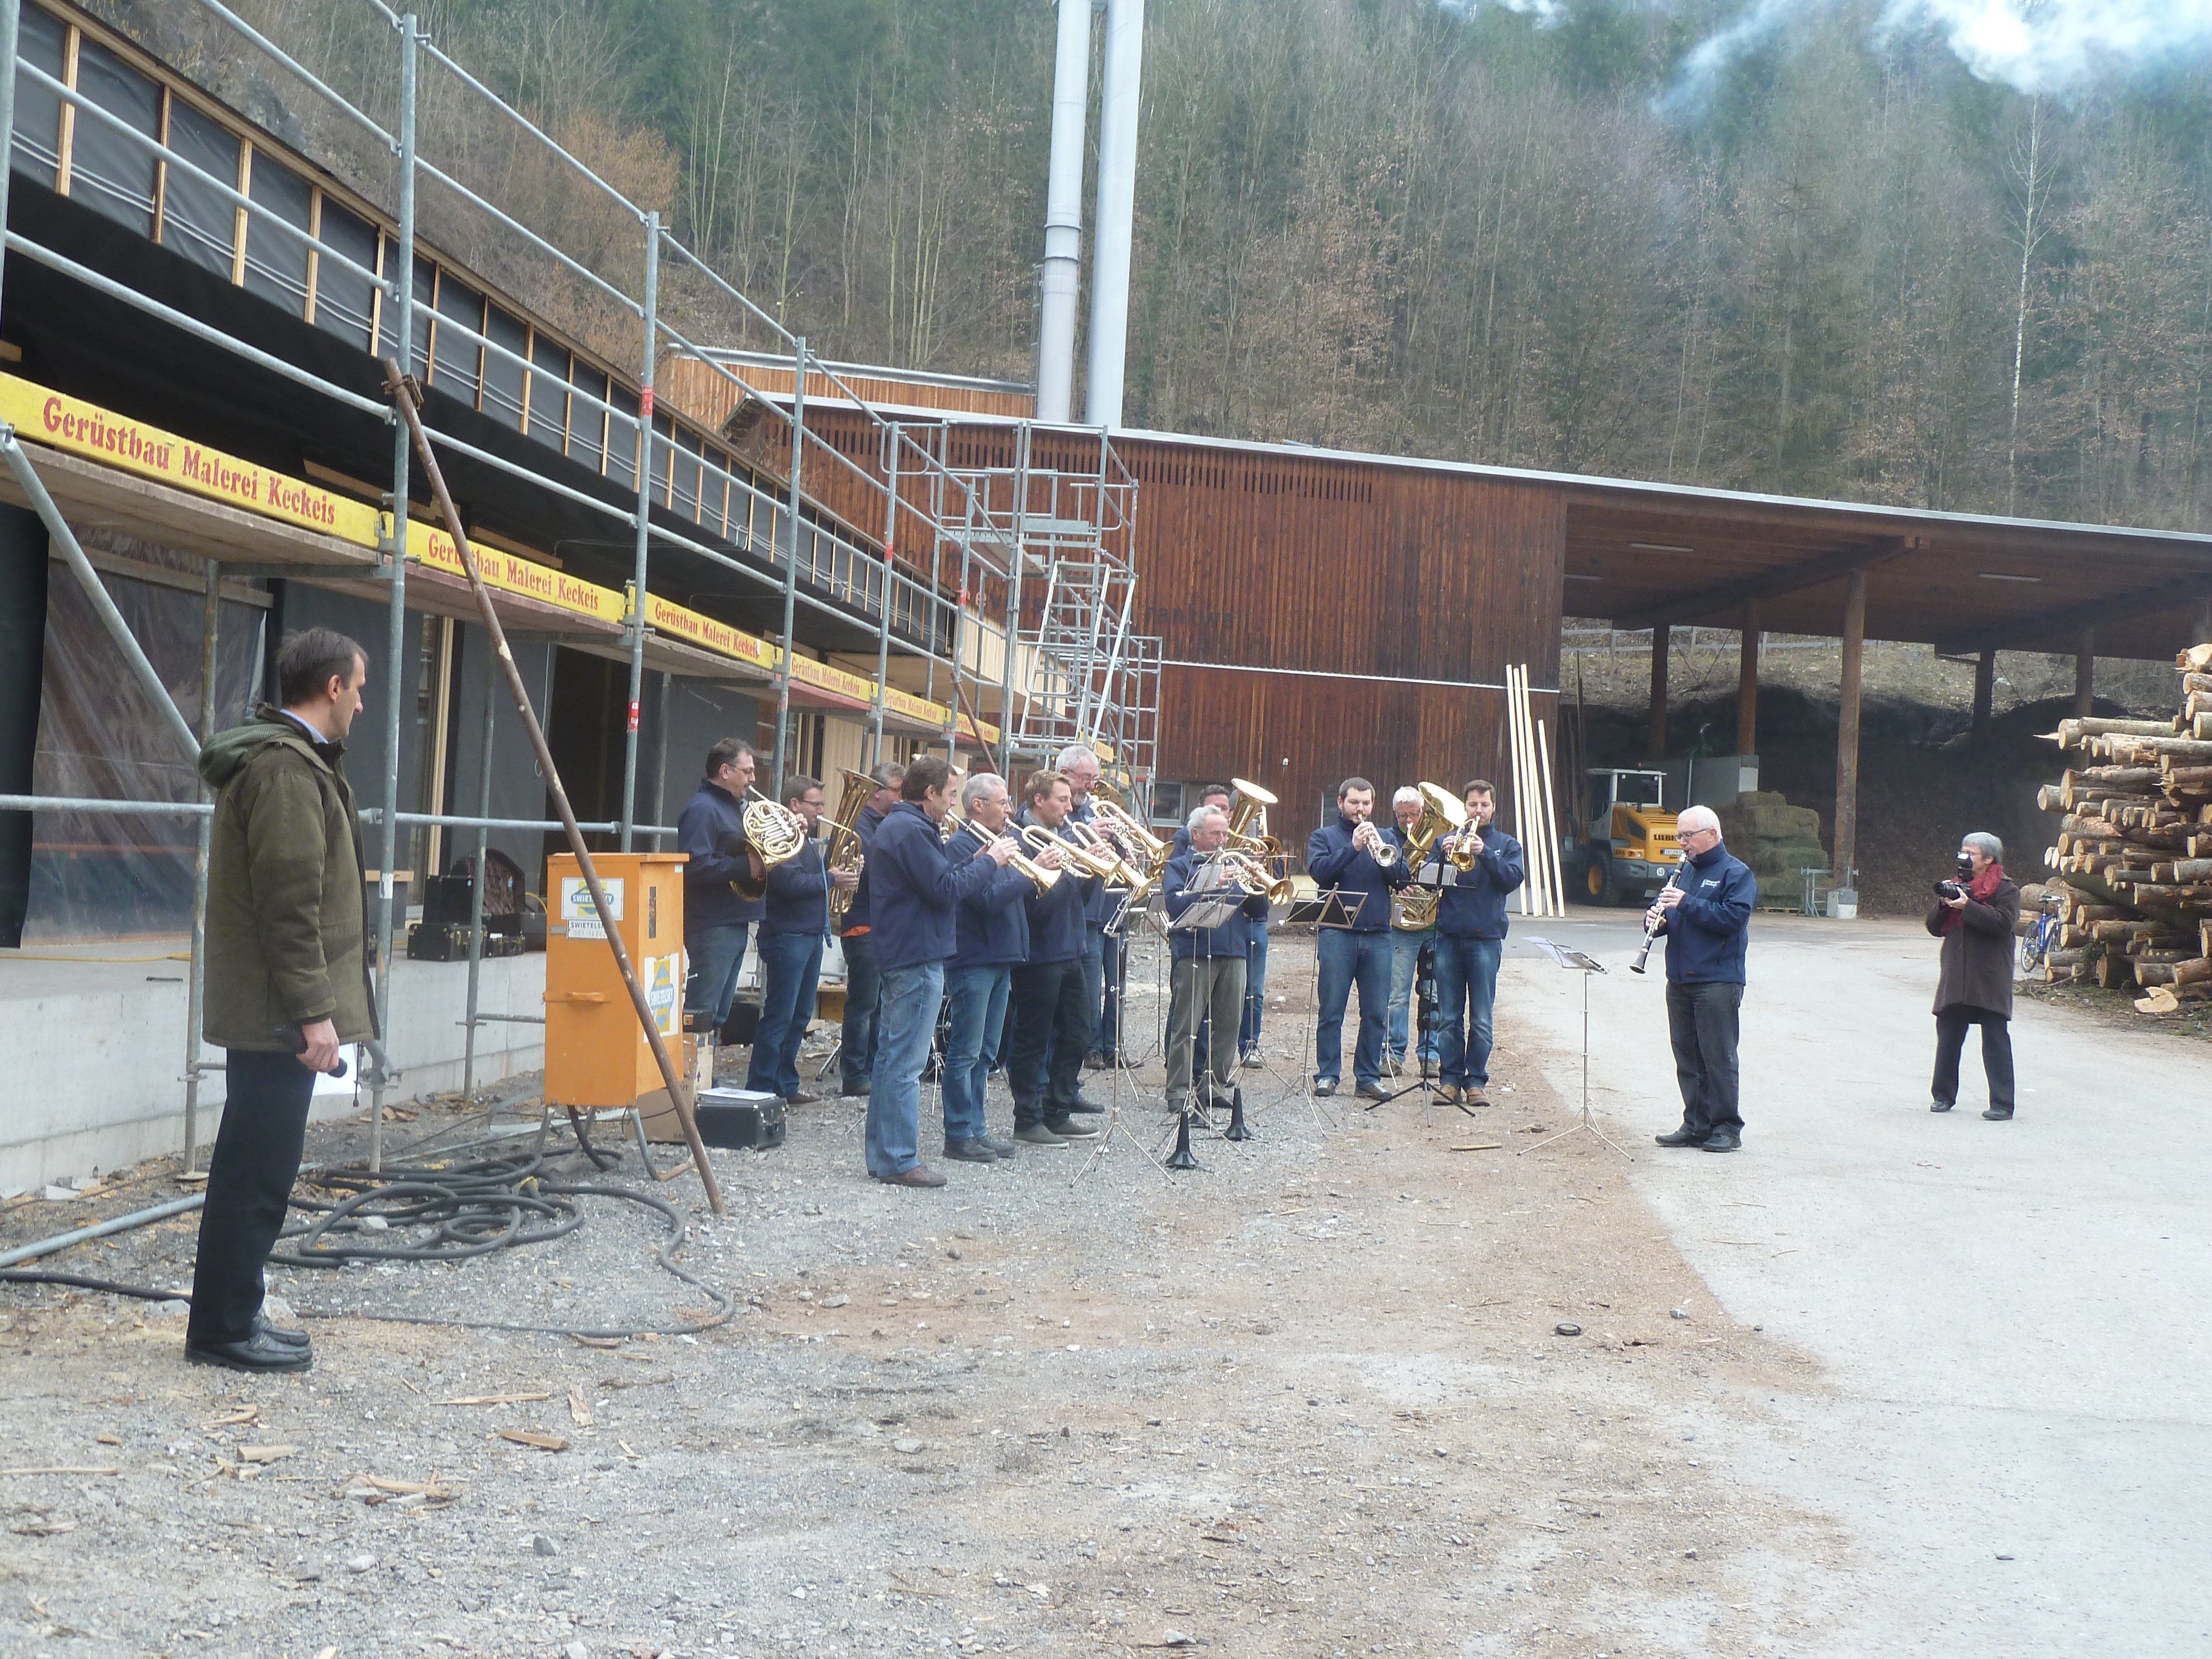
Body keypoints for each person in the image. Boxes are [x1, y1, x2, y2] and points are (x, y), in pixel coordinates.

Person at [188, 628, 377, 1373]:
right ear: (332, 688)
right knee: (257, 1175)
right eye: (358, 689)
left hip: (274, 1012)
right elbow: (290, 908)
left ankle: (233, 1315)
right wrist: (313, 1014)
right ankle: (224, 1330)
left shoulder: (289, 764)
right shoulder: (287, 773)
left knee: (254, 1166)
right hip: (280, 1017)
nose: (361, 704)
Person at [863, 755, 1017, 1187]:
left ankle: (884, 1156)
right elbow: (945, 890)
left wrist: (978, 859)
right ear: (929, 793)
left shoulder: (905, 826)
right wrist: (992, 862)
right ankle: (898, 1159)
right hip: (916, 955)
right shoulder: (911, 830)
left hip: (908, 952)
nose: (953, 803)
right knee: (905, 1064)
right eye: (949, 795)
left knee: (891, 1059)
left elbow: (939, 879)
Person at [942, 772, 1057, 1162]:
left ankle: (978, 1129)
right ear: (979, 806)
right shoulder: (962, 845)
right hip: (975, 959)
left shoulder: (999, 842)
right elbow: (988, 899)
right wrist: (1029, 871)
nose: (1010, 810)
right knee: (966, 1051)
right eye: (1003, 803)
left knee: (988, 1053)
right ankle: (959, 1132)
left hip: (1001, 956)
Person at [1649, 805, 1757, 1152]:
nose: (1682, 843)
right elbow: (1670, 912)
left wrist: (1686, 904)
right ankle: (1696, 1124)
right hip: (1680, 978)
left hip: (1717, 980)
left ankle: (1727, 1127)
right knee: (1687, 1057)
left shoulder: (1736, 874)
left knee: (1718, 1057)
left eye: (1688, 836)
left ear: (1712, 834)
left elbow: (1732, 920)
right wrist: (1657, 921)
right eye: (1679, 836)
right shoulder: (1682, 873)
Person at [746, 776, 855, 1107]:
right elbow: (790, 884)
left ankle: (784, 1084)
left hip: (807, 935)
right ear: (795, 804)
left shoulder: (801, 837)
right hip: (787, 935)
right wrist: (830, 877)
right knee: (780, 1015)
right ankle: (761, 1087)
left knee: (799, 1015)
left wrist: (839, 872)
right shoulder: (779, 837)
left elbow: (810, 878)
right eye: (816, 804)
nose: (822, 810)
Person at [1009, 769, 1105, 1142]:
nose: (1069, 807)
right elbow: (1038, 907)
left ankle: (1058, 1109)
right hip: (1039, 954)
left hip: (1070, 950)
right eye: (1062, 800)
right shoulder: (1021, 840)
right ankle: (1028, 1118)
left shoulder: (1061, 834)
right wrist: (1073, 873)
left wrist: (1091, 871)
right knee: (1033, 1039)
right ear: (1039, 800)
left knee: (1079, 1032)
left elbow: (1075, 899)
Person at [1416, 779, 1524, 1107]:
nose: (1478, 811)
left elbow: (1511, 880)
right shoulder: (1445, 841)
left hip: (1485, 941)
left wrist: (1485, 854)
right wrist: (1442, 856)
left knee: (1481, 1019)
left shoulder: (1506, 845)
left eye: (1484, 805)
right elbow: (1426, 882)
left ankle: (1475, 1081)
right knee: (1449, 1017)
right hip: (1448, 938)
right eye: (1473, 805)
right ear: (1464, 807)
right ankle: (1449, 1080)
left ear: (1494, 807)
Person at [1306, 775, 1413, 1099]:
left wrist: (1382, 854)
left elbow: (1402, 880)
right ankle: (1327, 1074)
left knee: (1376, 1012)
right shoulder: (1324, 836)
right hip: (1337, 933)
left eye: (1366, 803)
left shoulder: (1386, 837)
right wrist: (1353, 848)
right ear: (1341, 803)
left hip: (1378, 934)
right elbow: (1320, 872)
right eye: (1354, 802)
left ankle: (1367, 1077)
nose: (1360, 809)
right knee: (1332, 1009)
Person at [1162, 805, 1268, 1119]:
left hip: (1234, 951)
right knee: (1187, 1025)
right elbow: (1174, 906)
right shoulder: (1179, 865)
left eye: (1225, 834)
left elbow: (1259, 911)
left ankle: (1215, 1085)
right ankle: (1178, 1089)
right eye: (1216, 834)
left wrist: (1258, 881)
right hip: (1194, 951)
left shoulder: (1233, 864)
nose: (1223, 840)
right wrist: (1211, 883)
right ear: (1196, 834)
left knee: (1230, 1025)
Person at [1926, 831, 2021, 1121]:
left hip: (1990, 974)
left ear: (1989, 859)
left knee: (1995, 1037)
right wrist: (1945, 904)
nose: (1964, 858)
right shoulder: (1956, 885)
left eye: (1971, 853)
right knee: (1948, 1035)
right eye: (1962, 852)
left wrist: (1968, 906)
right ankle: (1943, 1096)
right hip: (1956, 972)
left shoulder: (2006, 889)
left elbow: (2004, 923)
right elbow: (1933, 928)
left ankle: (2002, 1104)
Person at [678, 739, 766, 1046]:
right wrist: (746, 867)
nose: (753, 779)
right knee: (702, 1013)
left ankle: (703, 1072)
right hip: (712, 924)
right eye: (748, 771)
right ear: (725, 771)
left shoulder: (734, 809)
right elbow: (694, 866)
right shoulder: (703, 809)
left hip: (733, 920)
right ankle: (687, 1074)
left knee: (718, 1015)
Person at [834, 761, 904, 1098]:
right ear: (877, 793)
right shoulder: (861, 825)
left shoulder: (885, 823)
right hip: (862, 923)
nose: (902, 797)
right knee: (863, 1005)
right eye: (898, 791)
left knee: (878, 1005)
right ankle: (855, 1074)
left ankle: (873, 1069)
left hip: (881, 924)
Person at [1058, 743, 1124, 1069]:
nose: (1091, 786)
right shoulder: (1057, 812)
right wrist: (1084, 838)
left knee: (1109, 986)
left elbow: (1113, 860)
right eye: (1086, 778)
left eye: (1095, 779)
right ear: (1065, 774)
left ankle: (1106, 1047)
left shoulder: (1091, 811)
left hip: (1102, 910)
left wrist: (1118, 844)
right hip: (1076, 914)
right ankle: (1087, 1048)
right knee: (1084, 989)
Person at [1384, 785, 1439, 1076]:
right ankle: (1393, 1055)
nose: (1408, 821)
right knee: (1397, 995)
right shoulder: (1388, 839)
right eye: (1402, 815)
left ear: (1423, 812)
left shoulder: (1438, 840)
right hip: (1401, 926)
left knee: (1433, 995)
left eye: (1413, 814)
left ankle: (1430, 1055)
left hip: (1433, 924)